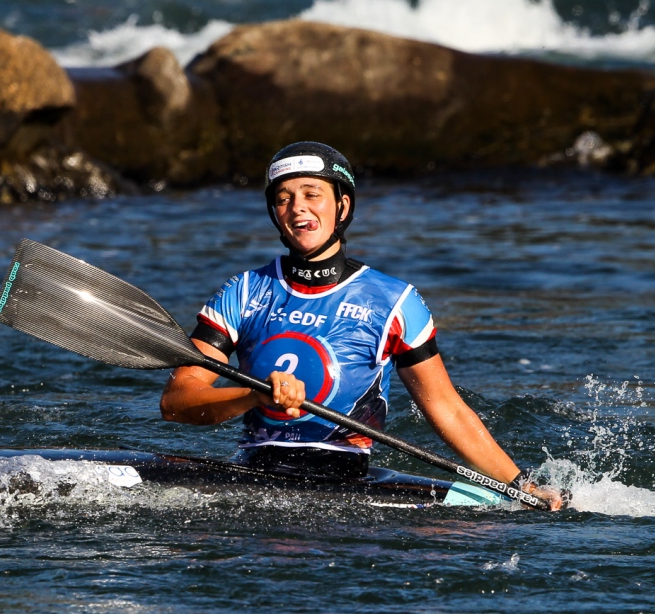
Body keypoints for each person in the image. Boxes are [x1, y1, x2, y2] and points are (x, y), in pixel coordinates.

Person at [160, 141, 564, 510]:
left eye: (312, 195)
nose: (297, 207)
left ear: (343, 206)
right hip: (252, 475)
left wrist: (520, 486)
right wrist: (253, 395)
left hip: (347, 482)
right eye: (283, 199)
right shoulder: (244, 292)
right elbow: (178, 402)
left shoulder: (395, 302)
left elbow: (446, 408)